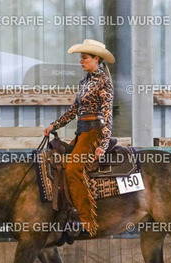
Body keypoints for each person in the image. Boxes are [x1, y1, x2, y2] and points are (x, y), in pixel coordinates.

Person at [44, 39, 115, 237]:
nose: (81, 61)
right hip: (81, 133)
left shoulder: (104, 82)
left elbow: (107, 114)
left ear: (96, 59)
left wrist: (103, 144)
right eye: (81, 58)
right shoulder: (84, 82)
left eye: (84, 58)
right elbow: (74, 110)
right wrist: (55, 125)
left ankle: (87, 222)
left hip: (94, 133)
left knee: (74, 169)